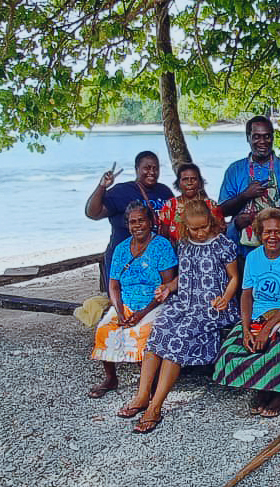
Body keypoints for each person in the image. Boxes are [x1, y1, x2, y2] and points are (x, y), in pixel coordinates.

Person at [118, 201, 240, 433]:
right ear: (186, 227)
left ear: (211, 223)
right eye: (194, 229)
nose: (200, 232)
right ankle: (142, 395)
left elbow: (234, 277)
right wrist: (168, 288)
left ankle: (156, 406)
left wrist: (225, 297)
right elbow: (183, 277)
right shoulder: (184, 244)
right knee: (160, 329)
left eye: (204, 227)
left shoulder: (223, 245)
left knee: (179, 337)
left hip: (212, 306)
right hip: (185, 302)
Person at [213, 208, 280, 417]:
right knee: (230, 349)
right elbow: (246, 295)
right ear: (259, 233)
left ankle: (279, 391)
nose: (272, 236)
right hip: (258, 317)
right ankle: (262, 387)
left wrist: (267, 329)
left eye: (277, 231)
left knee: (278, 347)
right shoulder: (254, 257)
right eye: (267, 232)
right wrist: (246, 328)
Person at [89, 201, 177, 398]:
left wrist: (142, 313)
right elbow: (113, 285)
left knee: (141, 332)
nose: (137, 226)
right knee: (105, 328)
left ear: (151, 222)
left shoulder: (161, 246)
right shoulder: (121, 249)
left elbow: (167, 286)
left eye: (141, 221)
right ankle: (111, 378)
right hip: (126, 302)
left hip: (155, 303)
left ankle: (148, 384)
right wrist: (119, 311)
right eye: (132, 222)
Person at [85, 151, 173, 291]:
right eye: (147, 168)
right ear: (137, 169)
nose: (152, 172)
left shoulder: (164, 192)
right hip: (126, 258)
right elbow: (93, 213)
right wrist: (102, 186)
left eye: (155, 168)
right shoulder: (122, 191)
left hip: (156, 257)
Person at [218, 116, 280, 258]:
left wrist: (255, 217)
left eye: (267, 136)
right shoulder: (235, 170)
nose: (262, 142)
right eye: (256, 137)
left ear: (273, 138)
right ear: (248, 138)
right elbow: (222, 210)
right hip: (241, 250)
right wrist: (245, 196)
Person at [158, 163, 225, 245]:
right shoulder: (170, 206)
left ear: (200, 183)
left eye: (193, 179)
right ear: (179, 183)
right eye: (185, 179)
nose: (189, 183)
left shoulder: (211, 206)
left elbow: (219, 232)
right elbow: (164, 235)